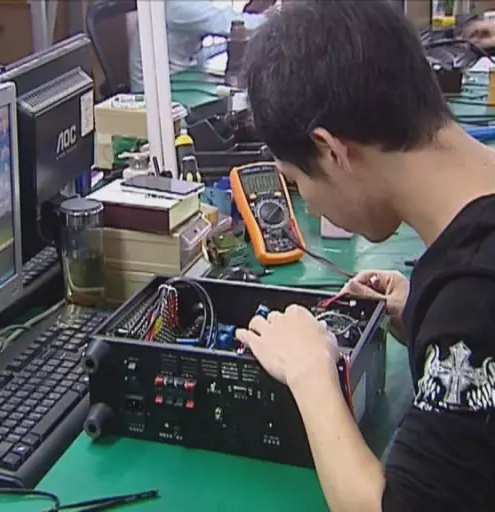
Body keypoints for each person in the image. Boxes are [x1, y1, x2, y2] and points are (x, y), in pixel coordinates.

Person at [236, 1, 495, 511]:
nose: (308, 205)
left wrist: (310, 371)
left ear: (332, 151)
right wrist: (424, 316)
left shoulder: (474, 298)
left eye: (296, 181)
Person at [127, 1, 272, 92]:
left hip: (179, 75)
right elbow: (234, 24)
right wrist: (280, 17)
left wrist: (229, 45)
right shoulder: (179, 5)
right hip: (154, 96)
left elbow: (194, 55)